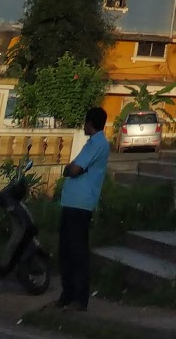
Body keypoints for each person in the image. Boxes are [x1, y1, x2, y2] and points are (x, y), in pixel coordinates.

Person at [57, 105, 110, 310]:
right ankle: (67, 294)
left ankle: (79, 299)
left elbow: (75, 169)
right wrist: (69, 169)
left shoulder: (98, 144)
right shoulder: (90, 144)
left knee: (77, 252)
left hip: (81, 204)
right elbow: (70, 168)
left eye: (85, 122)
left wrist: (70, 169)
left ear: (90, 123)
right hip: (71, 202)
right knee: (66, 251)